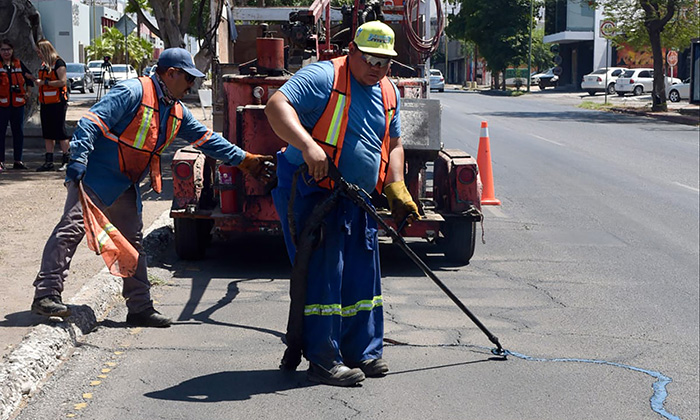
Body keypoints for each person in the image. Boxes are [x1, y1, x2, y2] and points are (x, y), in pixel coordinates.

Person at [31, 47, 274, 328]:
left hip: (125, 182)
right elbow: (90, 122)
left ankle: (140, 308)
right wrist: (79, 158)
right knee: (71, 229)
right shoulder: (133, 91)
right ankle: (46, 295)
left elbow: (208, 140)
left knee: (133, 245)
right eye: (188, 78)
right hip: (96, 176)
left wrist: (245, 160)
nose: (192, 85)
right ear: (170, 74)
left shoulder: (176, 110)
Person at [265, 21, 419, 386]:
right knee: (324, 275)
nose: (376, 68)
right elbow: (276, 106)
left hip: (358, 196)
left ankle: (362, 352)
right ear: (351, 51)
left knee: (362, 277)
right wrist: (307, 145)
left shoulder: (387, 91)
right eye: (369, 59)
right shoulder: (323, 76)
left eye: (384, 62)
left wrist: (396, 185)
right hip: (313, 191)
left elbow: (394, 144)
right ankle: (322, 357)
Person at [34, 39, 71, 172]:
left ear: (45, 50)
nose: (39, 55)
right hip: (45, 102)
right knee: (47, 132)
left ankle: (67, 159)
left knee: (60, 131)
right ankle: (48, 161)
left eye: (40, 52)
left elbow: (62, 82)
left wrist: (44, 82)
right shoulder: (44, 65)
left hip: (58, 102)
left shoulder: (58, 63)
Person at [0, 39, 34, 171]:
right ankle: (1, 161)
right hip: (2, 105)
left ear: (12, 50)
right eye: (3, 49)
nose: (6, 52)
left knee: (18, 132)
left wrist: (28, 93)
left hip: (18, 104)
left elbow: (29, 79)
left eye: (8, 49)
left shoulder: (18, 64)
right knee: (1, 133)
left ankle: (18, 161)